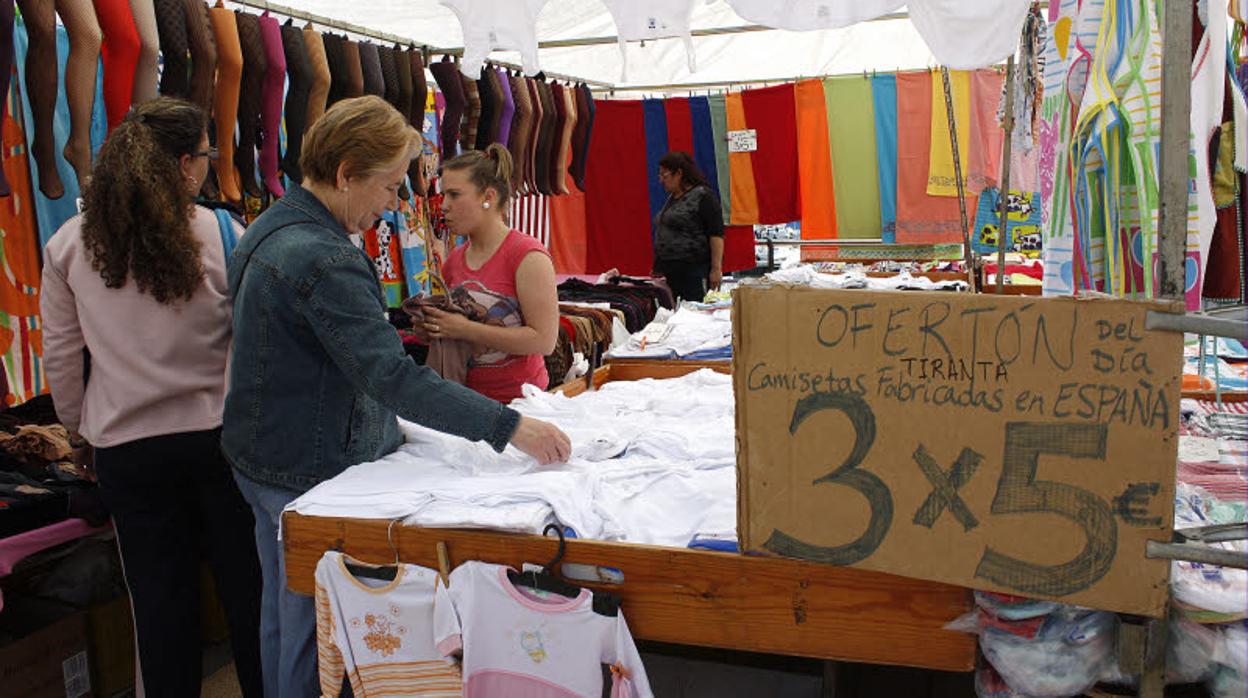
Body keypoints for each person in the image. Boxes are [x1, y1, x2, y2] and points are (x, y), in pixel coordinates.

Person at [222, 95, 572, 697]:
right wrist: (510, 427)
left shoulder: (272, 225)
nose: (392, 204)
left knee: (283, 610)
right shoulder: (324, 254)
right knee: (310, 622)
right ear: (345, 174)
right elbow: (393, 377)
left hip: (263, 451)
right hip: (302, 463)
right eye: (386, 187)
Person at [40, 97, 263, 697]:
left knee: (160, 609)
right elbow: (252, 344)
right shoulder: (222, 233)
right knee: (250, 597)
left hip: (127, 450)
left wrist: (78, 433)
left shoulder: (69, 244)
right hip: (221, 442)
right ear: (186, 164)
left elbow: (61, 358)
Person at [418, 145, 559, 402]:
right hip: (468, 403)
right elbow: (454, 334)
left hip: (521, 405)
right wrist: (433, 328)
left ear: (489, 197)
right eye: (444, 195)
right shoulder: (454, 260)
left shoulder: (527, 257)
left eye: (454, 195)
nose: (444, 206)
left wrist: (465, 329)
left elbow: (544, 340)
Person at [654, 151, 725, 302]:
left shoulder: (703, 196)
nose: (660, 180)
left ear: (678, 173)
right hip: (671, 271)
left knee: (695, 313)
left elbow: (716, 234)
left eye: (664, 175)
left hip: (694, 271)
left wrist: (716, 269)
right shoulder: (672, 198)